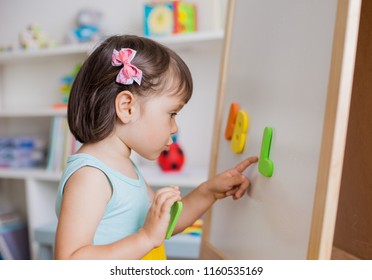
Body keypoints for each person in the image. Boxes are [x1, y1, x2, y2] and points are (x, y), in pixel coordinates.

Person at [54, 34, 258, 260]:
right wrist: (146, 238)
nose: (175, 127)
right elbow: (69, 261)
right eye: (171, 114)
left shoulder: (124, 167)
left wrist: (208, 192)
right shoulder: (91, 176)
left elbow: (164, 224)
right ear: (127, 107)